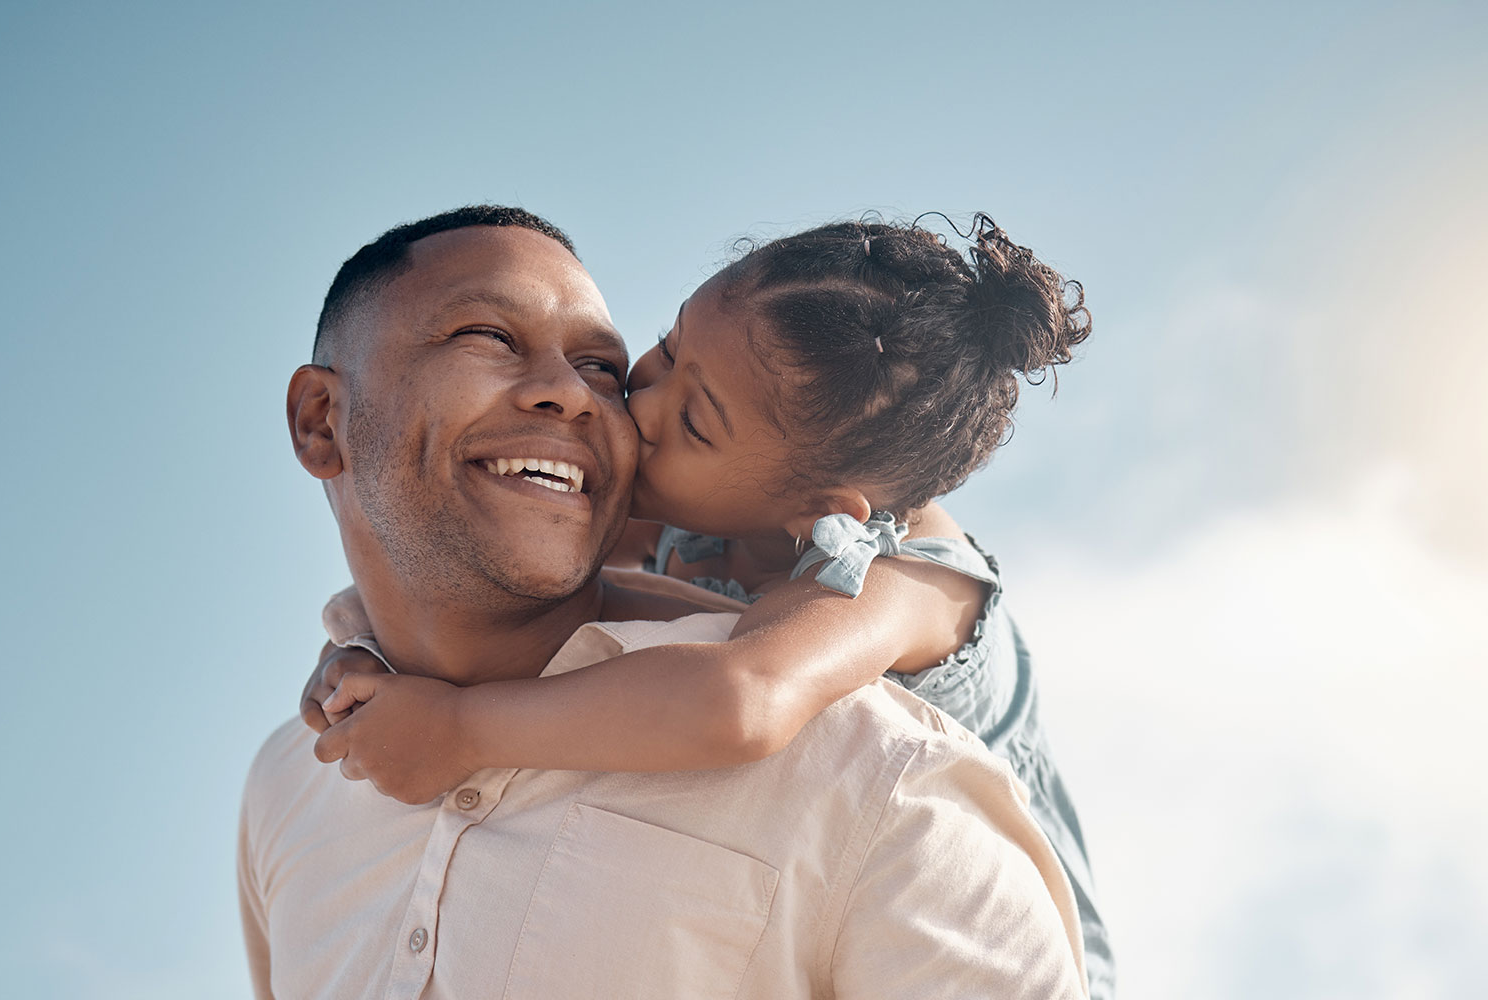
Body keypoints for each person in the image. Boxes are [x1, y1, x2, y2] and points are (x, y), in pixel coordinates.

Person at [238, 205, 1088, 999]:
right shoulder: (286, 801)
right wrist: (358, 653)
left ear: (824, 510)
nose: (627, 406)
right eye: (662, 354)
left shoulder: (896, 583)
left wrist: (458, 730)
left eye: (695, 420)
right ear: (321, 419)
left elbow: (740, 694)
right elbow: (484, 564)